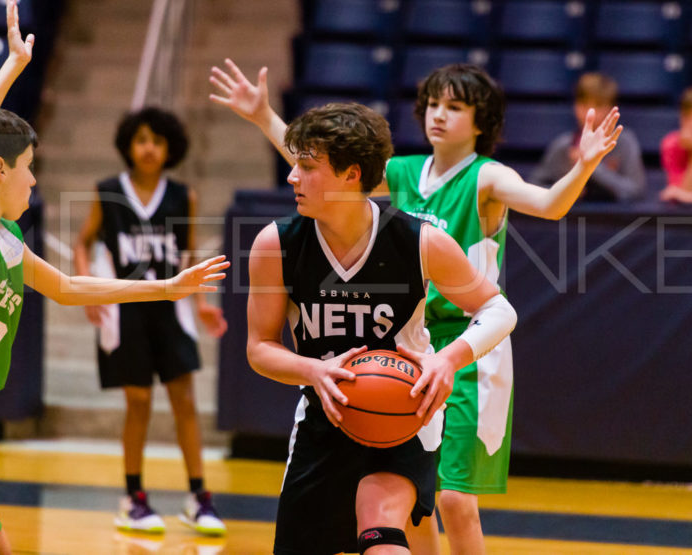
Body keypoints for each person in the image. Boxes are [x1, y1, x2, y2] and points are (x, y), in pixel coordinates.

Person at [210, 59, 622, 554]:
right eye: (431, 104)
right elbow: (328, 168)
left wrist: (585, 164)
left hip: (462, 344)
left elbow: (550, 207)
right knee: (415, 514)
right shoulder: (395, 175)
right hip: (378, 364)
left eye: (454, 106)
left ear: (482, 121)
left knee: (450, 500)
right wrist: (264, 118)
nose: (437, 115)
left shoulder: (480, 182)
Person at [0, 0, 228, 554]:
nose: (34, 182)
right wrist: (13, 65)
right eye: (29, 167)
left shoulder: (8, 244)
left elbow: (67, 286)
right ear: (0, 167)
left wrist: (166, 287)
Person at [246, 102, 518, 554]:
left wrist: (448, 359)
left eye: (308, 167)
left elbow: (498, 309)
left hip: (404, 416)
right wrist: (313, 371)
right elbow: (259, 348)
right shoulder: (276, 245)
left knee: (379, 525)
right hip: (324, 417)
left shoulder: (419, 241)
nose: (293, 177)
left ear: (352, 175)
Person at [73, 107, 228, 536]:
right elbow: (82, 242)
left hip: (171, 309)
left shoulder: (183, 196)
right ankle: (133, 497)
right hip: (125, 310)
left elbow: (189, 259)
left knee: (185, 401)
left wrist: (203, 304)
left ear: (169, 149)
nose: (148, 148)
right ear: (128, 145)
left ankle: (198, 496)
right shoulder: (107, 192)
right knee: (137, 403)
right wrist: (86, 288)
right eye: (141, 139)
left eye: (157, 141)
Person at [530, 72, 645, 202]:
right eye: (583, 104)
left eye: (598, 105)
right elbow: (535, 187)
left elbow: (634, 191)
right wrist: (568, 191)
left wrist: (590, 165)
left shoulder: (625, 142)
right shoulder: (563, 146)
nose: (590, 112)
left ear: (612, 108)